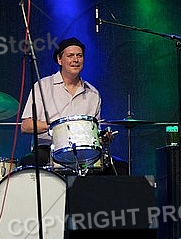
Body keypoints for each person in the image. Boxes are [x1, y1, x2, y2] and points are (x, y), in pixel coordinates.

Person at [20, 37, 112, 172]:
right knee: (29, 161)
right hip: (48, 150)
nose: (75, 60)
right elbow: (26, 126)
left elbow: (95, 135)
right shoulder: (42, 86)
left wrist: (103, 138)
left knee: (117, 168)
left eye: (79, 56)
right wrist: (57, 128)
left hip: (82, 154)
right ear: (59, 59)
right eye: (70, 56)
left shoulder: (93, 93)